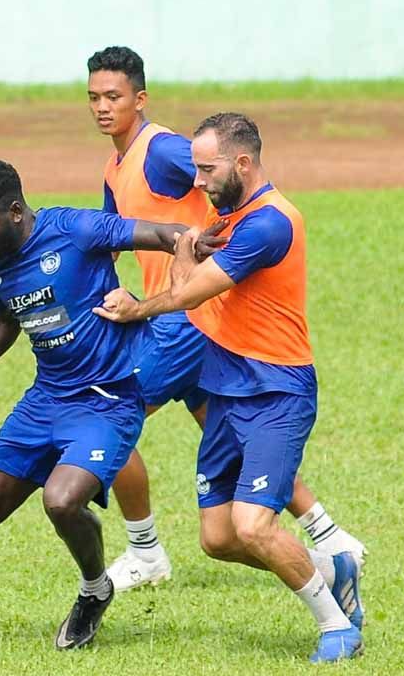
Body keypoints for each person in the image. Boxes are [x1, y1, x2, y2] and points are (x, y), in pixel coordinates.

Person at [0, 158, 223, 649]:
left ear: (17, 211)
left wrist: (187, 256)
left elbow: (163, 233)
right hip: (45, 400)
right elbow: (5, 320)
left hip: (108, 400)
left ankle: (95, 590)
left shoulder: (78, 229)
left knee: (62, 500)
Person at [87, 46, 364, 592]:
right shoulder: (116, 163)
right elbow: (109, 234)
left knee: (101, 406)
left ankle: (144, 551)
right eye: (93, 97)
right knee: (229, 429)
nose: (101, 106)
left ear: (139, 99)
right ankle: (328, 537)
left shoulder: (162, 149)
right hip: (183, 313)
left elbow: (222, 181)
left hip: (185, 314)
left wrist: (209, 243)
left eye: (113, 96)